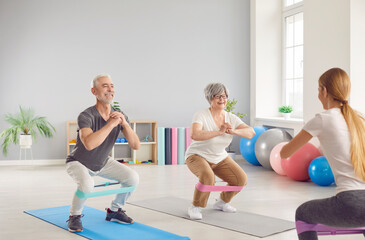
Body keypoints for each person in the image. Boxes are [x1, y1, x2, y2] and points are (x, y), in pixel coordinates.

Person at [280, 68, 365, 240]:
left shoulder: (323, 119)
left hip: (352, 202)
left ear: (324, 90)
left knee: (302, 213)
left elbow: (284, 153)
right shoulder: (360, 118)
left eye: (318, 90)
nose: (318, 95)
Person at [65, 74, 140, 232]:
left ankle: (114, 211)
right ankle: (74, 216)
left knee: (132, 178)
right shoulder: (86, 115)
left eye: (112, 86)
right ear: (94, 91)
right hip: (78, 162)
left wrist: (124, 124)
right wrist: (112, 124)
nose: (110, 89)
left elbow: (135, 145)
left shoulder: (120, 116)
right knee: (87, 185)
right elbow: (90, 144)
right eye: (105, 86)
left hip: (102, 161)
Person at [185, 83, 255, 220]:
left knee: (240, 179)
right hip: (197, 155)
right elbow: (195, 134)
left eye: (224, 96)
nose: (222, 99)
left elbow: (251, 132)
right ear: (210, 98)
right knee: (208, 178)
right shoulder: (201, 115)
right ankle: (195, 206)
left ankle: (222, 202)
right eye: (218, 96)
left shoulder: (231, 118)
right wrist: (219, 132)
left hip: (220, 157)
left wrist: (233, 131)